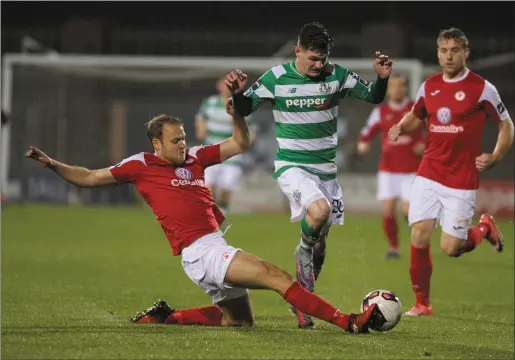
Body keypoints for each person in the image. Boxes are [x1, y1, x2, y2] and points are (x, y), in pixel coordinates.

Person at [25, 99, 380, 332]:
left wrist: (235, 114)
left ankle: (167, 316)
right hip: (201, 251)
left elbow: (241, 143)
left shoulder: (197, 157)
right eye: (175, 140)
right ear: (156, 144)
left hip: (210, 248)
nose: (182, 144)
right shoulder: (140, 165)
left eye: (183, 138)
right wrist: (53, 164)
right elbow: (89, 177)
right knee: (275, 275)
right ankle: (347, 321)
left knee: (240, 323)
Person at [226, 21, 393, 328]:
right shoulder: (276, 78)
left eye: (322, 59)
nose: (318, 65)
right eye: (312, 58)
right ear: (297, 51)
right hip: (292, 166)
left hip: (326, 172)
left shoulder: (337, 75)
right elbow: (244, 108)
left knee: (320, 245)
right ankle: (301, 250)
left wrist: (381, 80)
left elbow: (372, 96)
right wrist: (237, 95)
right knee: (318, 213)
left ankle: (303, 300)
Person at [388, 27, 514, 316]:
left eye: (454, 50)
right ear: (438, 53)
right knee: (419, 233)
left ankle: (484, 228)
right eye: (443, 50)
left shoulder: (482, 88)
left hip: (461, 179)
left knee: (450, 248)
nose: (448, 56)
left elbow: (506, 125)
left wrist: (496, 155)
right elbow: (415, 116)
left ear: (465, 53)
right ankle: (422, 303)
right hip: (429, 172)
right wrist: (399, 127)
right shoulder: (429, 85)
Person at [357, 74, 425, 259]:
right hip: (388, 170)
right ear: (388, 90)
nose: (398, 89)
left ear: (406, 88)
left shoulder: (416, 109)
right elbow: (367, 131)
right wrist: (363, 142)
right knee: (387, 212)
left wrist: (425, 144)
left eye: (402, 86)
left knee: (408, 211)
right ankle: (394, 248)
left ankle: (418, 244)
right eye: (394, 86)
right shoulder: (381, 111)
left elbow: (434, 130)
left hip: (411, 169)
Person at [195, 75, 256, 217]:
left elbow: (251, 129)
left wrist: (247, 140)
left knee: (225, 191)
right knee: (208, 189)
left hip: (232, 155)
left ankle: (221, 216)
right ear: (219, 86)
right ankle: (209, 221)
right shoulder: (209, 103)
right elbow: (201, 121)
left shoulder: (241, 104)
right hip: (211, 151)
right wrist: (201, 130)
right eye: (224, 83)